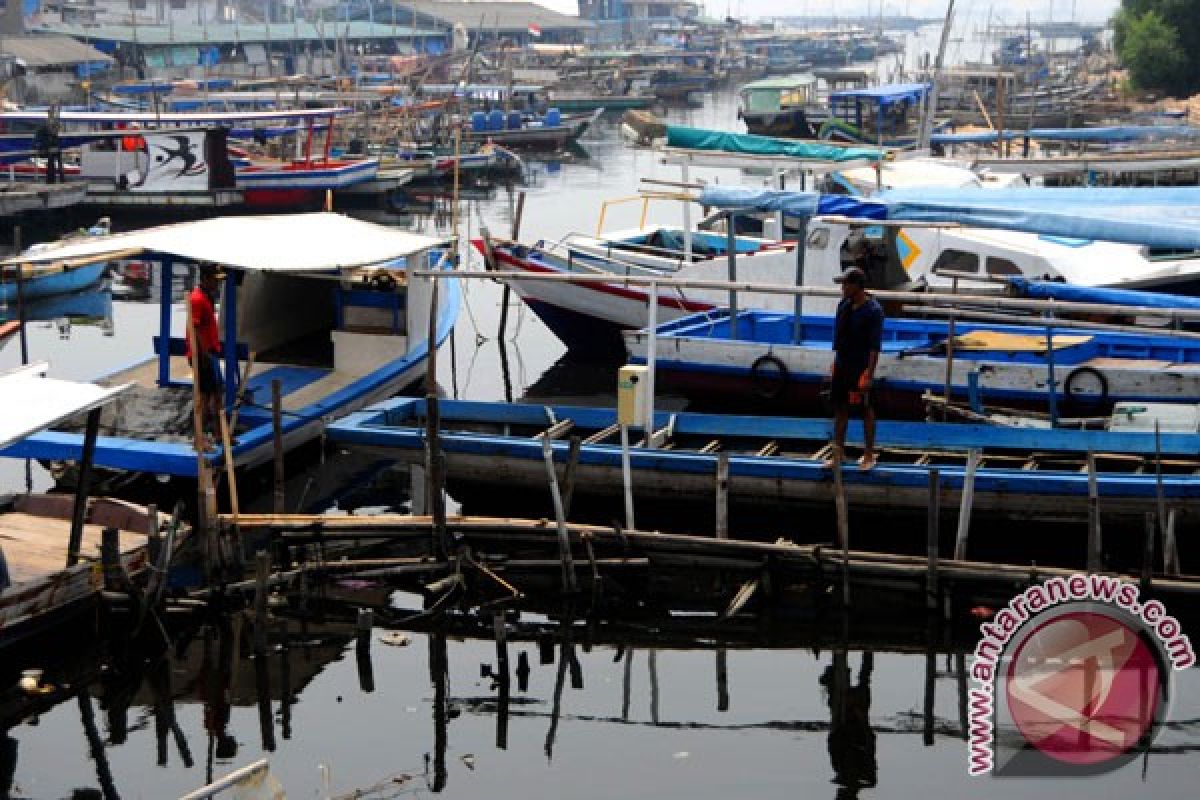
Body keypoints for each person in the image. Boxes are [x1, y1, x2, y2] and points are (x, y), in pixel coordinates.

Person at [830, 266, 884, 470]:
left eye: (845, 284)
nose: (842, 288)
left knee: (865, 409)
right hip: (843, 363)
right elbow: (840, 338)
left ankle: (869, 454)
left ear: (857, 286)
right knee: (839, 407)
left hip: (860, 365)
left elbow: (874, 347)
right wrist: (835, 364)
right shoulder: (843, 305)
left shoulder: (873, 311)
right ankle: (838, 452)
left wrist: (869, 374)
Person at [185, 263, 226, 450]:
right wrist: (204, 354)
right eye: (214, 281)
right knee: (203, 397)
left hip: (211, 352)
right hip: (203, 354)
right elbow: (195, 328)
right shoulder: (197, 299)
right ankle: (199, 438)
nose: (217, 285)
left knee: (217, 395)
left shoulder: (207, 297)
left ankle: (219, 434)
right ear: (206, 279)